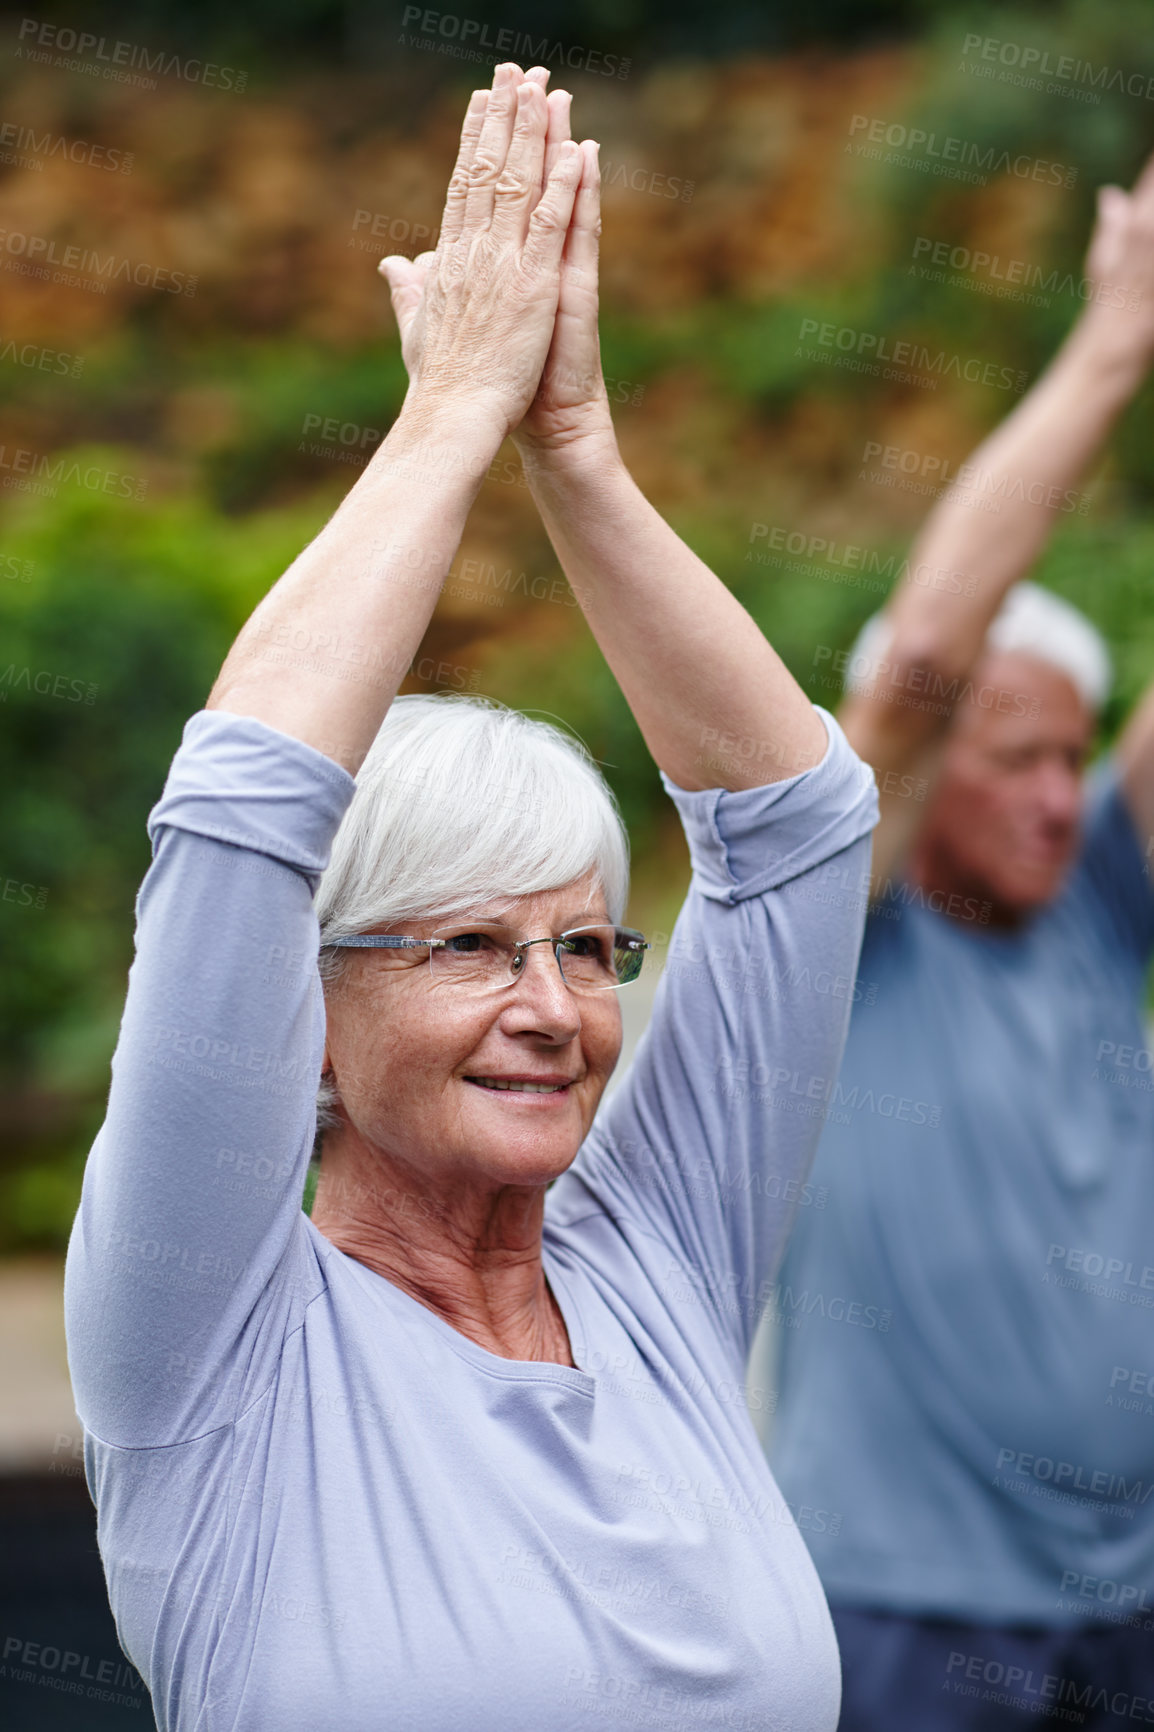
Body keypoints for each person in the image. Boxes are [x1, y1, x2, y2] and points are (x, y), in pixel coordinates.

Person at [64, 63, 878, 1732]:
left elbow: (793, 826)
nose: (556, 1010)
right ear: (306, 1017)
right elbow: (237, 830)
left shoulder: (653, 1262)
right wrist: (445, 422)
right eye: (466, 946)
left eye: (585, 946)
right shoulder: (212, 1345)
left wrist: (572, 449)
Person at [762, 154, 1154, 1729]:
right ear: (921, 783)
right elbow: (926, 651)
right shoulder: (828, 934)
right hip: (899, 1618)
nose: (1060, 799)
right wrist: (1116, 341)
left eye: (1077, 757)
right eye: (1013, 761)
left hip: (1125, 1604)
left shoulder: (1097, 908)